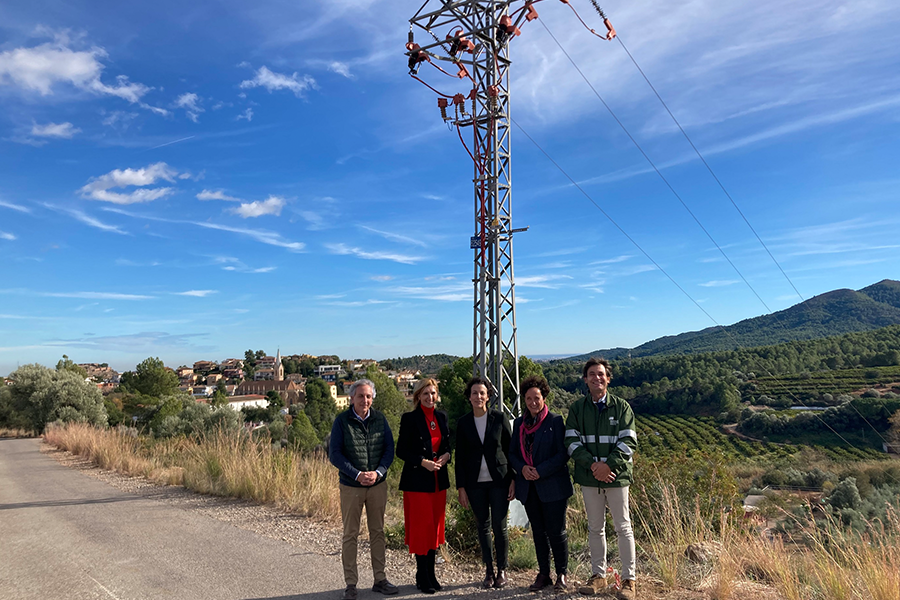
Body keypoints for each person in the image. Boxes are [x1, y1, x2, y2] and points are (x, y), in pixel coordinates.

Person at [565, 358, 637, 600]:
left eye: (601, 374)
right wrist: (594, 466)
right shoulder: (577, 409)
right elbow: (571, 442)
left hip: (616, 478)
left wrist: (608, 467)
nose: (597, 378)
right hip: (590, 478)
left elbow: (628, 442)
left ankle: (629, 580)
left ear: (608, 378)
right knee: (595, 528)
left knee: (623, 527)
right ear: (585, 379)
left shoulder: (622, 407)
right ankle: (598, 576)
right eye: (592, 374)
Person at [329, 379, 399, 600]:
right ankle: (351, 584)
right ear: (352, 398)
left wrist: (378, 472)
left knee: (377, 532)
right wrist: (357, 474)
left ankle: (380, 579)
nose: (365, 400)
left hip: (377, 485)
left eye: (368, 396)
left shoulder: (380, 419)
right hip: (351, 486)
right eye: (360, 396)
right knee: (351, 534)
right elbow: (335, 454)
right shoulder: (342, 421)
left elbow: (389, 449)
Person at [510, 375, 574, 593]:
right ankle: (544, 573)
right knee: (538, 532)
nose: (532, 402)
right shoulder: (519, 424)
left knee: (557, 531)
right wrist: (522, 469)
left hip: (553, 487)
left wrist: (540, 470)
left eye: (536, 397)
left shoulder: (555, 421)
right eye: (528, 398)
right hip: (529, 487)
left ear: (544, 397)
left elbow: (563, 454)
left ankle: (562, 574)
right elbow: (512, 454)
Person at [454, 377, 515, 589]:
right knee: (483, 526)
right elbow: (459, 457)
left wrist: (513, 480)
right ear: (469, 397)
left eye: (482, 393)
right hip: (474, 484)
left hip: (499, 481)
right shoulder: (463, 423)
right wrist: (460, 487)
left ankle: (502, 570)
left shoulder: (499, 418)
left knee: (499, 526)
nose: (478, 397)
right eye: (474, 393)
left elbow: (511, 450)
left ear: (488, 396)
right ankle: (488, 570)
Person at [396, 378, 451, 595]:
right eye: (425, 393)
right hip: (418, 483)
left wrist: (447, 455)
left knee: (435, 529)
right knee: (422, 529)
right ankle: (423, 575)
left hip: (439, 482)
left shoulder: (442, 417)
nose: (430, 397)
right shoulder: (410, 419)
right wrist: (422, 461)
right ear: (418, 396)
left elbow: (446, 445)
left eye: (433, 393)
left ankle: (430, 574)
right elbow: (401, 450)